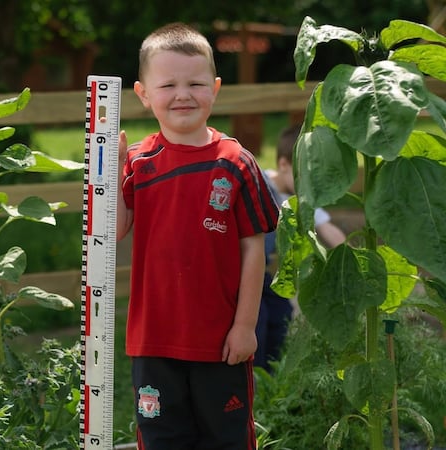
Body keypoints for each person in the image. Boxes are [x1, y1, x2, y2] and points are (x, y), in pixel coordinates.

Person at [116, 22, 280, 450]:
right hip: (153, 342)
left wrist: (245, 327)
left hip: (220, 343)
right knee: (162, 439)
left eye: (196, 83)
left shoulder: (236, 162)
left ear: (216, 87)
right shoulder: (137, 163)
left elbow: (253, 251)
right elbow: (112, 233)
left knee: (225, 440)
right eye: (168, 84)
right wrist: (109, 175)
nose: (182, 94)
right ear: (143, 93)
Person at [254, 123, 347, 372]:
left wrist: (349, 258)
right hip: (238, 272)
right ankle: (252, 378)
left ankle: (270, 378)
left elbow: (328, 229)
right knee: (257, 321)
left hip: (259, 274)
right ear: (284, 165)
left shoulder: (300, 199)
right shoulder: (258, 182)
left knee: (282, 313)